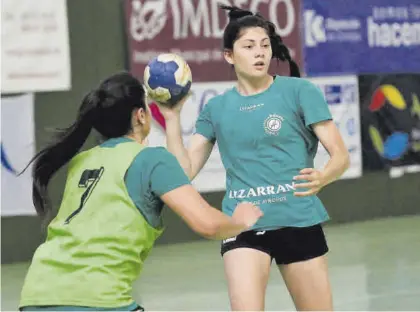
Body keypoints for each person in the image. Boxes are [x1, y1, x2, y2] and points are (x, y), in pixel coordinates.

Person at [157, 5, 350, 311]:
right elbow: (184, 171)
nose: (259, 53)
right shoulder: (216, 108)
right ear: (229, 56)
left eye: (264, 46)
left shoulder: (299, 92)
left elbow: (340, 156)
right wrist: (171, 118)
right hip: (244, 225)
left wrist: (324, 176)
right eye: (248, 47)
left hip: (298, 220)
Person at [18, 72, 263, 311]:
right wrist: (240, 220)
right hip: (97, 298)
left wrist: (172, 117)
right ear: (141, 116)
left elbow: (177, 174)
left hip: (37, 292)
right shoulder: (152, 160)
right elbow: (208, 224)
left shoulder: (81, 162)